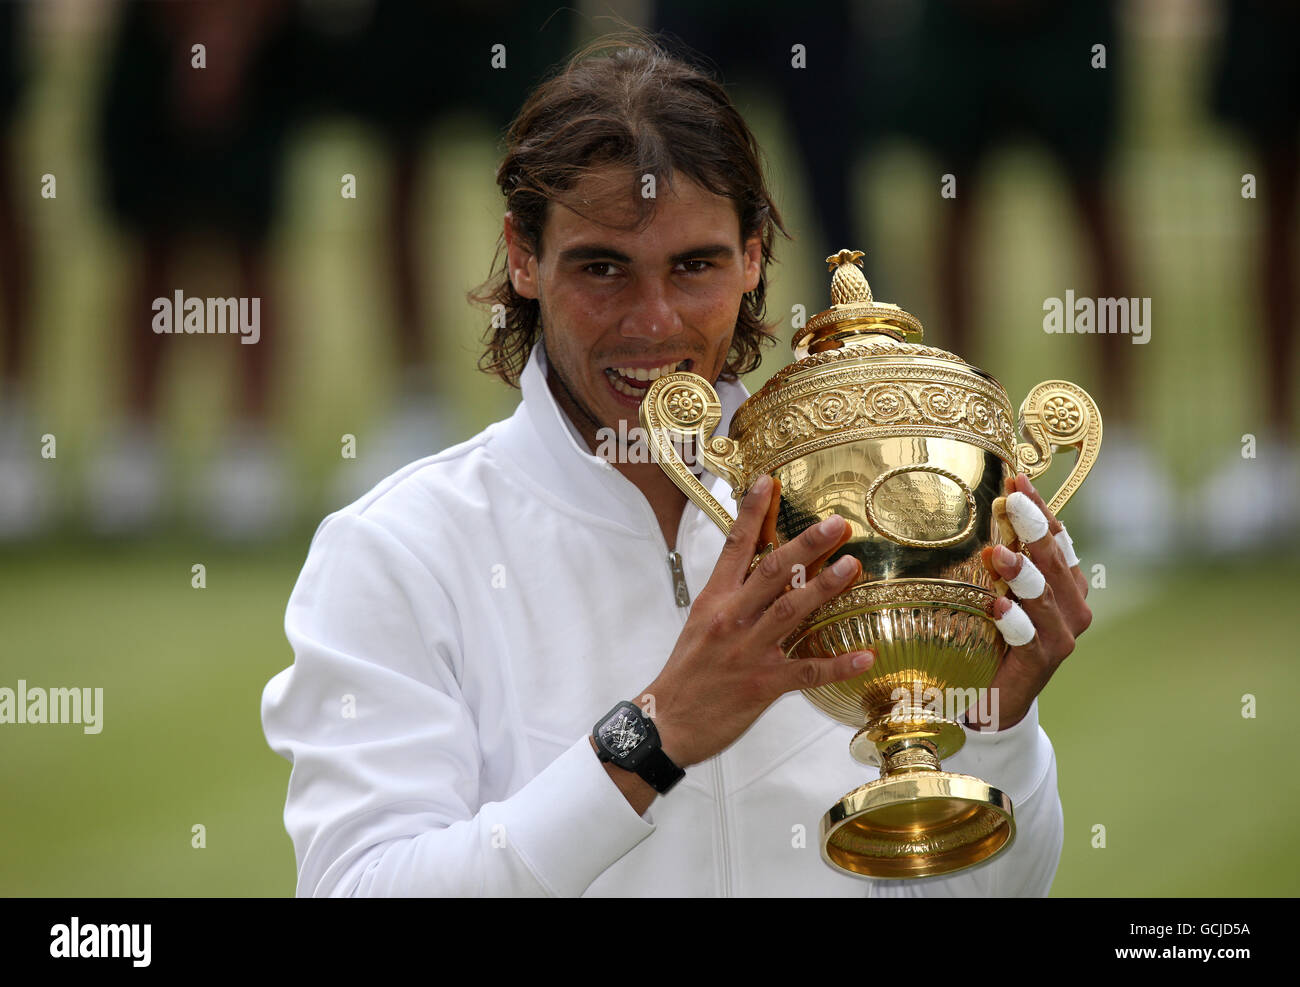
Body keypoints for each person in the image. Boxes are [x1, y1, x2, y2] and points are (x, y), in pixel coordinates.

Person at [261, 34, 1092, 897]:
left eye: (694, 266)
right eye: (603, 269)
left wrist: (998, 730)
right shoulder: (398, 552)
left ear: (755, 256)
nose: (653, 322)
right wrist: (651, 738)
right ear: (522, 256)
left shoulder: (859, 516)